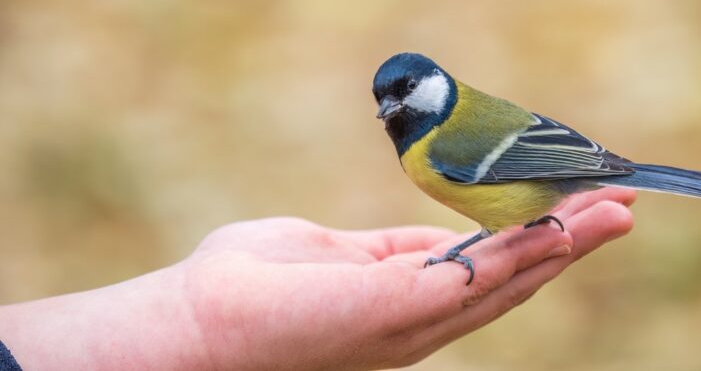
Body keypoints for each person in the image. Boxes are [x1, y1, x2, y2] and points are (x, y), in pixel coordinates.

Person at [0, 188, 634, 370]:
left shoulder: (441, 145)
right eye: (383, 104)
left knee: (497, 238)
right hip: (540, 185)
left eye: (406, 98)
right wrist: (196, 322)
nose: (392, 113)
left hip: (539, 183)